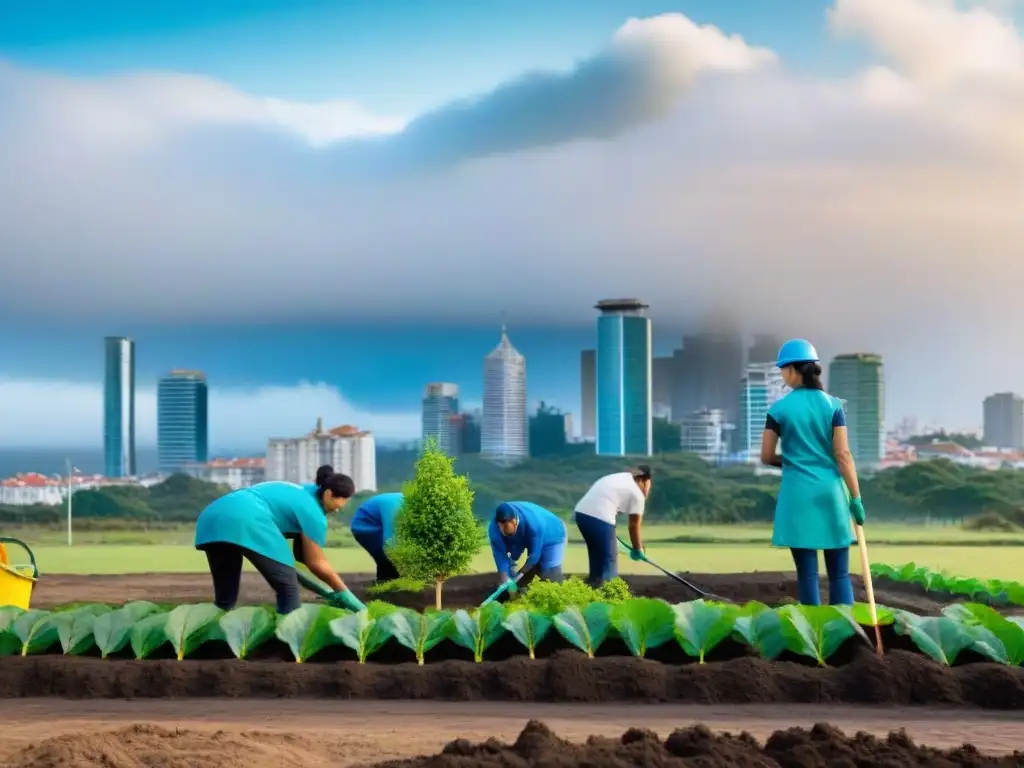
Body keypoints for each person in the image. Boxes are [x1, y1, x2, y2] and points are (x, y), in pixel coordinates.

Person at [760, 338, 865, 607]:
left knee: (807, 575)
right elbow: (842, 456)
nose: (782, 375)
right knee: (839, 574)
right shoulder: (833, 406)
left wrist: (794, 460)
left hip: (798, 496)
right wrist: (856, 498)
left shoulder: (778, 409)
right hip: (830, 494)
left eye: (783, 369)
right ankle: (846, 634)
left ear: (793, 370)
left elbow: (767, 456)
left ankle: (814, 637)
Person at [194, 472, 365, 614]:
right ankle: (290, 644)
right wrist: (348, 598)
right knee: (288, 590)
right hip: (249, 518)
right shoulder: (313, 513)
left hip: (213, 517)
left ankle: (210, 638)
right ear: (329, 494)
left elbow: (298, 562)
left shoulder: (304, 491)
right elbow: (316, 564)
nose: (339, 508)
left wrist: (325, 592)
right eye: (340, 502)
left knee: (225, 599)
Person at [573, 466, 652, 586]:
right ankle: (609, 598)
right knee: (609, 565)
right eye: (649, 485)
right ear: (644, 480)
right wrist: (638, 549)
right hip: (599, 518)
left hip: (581, 515)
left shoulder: (620, 478)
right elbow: (633, 525)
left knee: (597, 562)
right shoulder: (637, 494)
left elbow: (612, 505)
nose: (648, 490)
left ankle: (592, 592)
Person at [488, 501, 567, 591]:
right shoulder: (494, 531)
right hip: (522, 538)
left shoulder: (534, 524)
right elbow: (500, 555)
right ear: (498, 524)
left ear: (515, 520)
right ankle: (519, 593)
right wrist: (504, 578)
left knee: (549, 577)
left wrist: (521, 574)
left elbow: (535, 556)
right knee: (513, 581)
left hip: (552, 533)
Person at [350, 492, 404, 583]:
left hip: (380, 524)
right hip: (366, 527)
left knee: (389, 564)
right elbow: (391, 540)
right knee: (389, 563)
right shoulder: (396, 507)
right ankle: (388, 586)